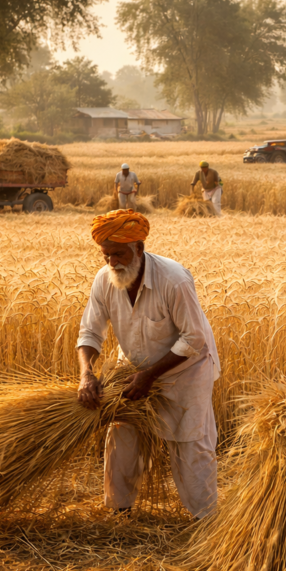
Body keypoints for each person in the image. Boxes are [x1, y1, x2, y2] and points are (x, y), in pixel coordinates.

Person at [77, 209, 220, 519]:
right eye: (106, 255)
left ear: (139, 249)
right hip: (134, 372)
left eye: (119, 253)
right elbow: (90, 331)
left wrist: (151, 375)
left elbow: (194, 339)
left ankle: (205, 520)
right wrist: (86, 374)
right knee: (122, 434)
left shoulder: (174, 279)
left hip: (186, 372)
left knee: (190, 443)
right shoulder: (104, 280)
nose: (112, 262)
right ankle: (120, 512)